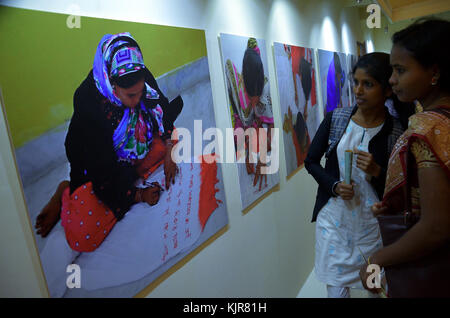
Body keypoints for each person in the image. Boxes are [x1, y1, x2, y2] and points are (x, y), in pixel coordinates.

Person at [35, 33, 183, 252]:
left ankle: (134, 168)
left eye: (141, 92)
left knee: (165, 145)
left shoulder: (138, 72)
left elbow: (159, 107)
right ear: (111, 85)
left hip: (131, 149)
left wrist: (170, 150)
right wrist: (138, 195)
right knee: (84, 235)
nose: (137, 100)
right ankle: (65, 191)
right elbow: (102, 170)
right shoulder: (88, 102)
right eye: (131, 95)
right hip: (95, 164)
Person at [305, 52, 412, 298]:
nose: (358, 90)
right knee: (336, 288)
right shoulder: (336, 119)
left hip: (372, 226)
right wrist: (333, 185)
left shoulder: (396, 131)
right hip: (333, 222)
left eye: (368, 84)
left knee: (374, 287)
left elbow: (402, 186)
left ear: (387, 90)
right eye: (355, 82)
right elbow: (310, 161)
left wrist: (377, 172)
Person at [360, 19, 450, 297]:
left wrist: (376, 260)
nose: (392, 80)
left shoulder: (430, 128)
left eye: (400, 70)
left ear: (434, 72)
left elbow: (435, 227)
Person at [225, 38, 274, 190]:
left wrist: (263, 157)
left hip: (258, 124)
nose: (253, 103)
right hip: (247, 123)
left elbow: (270, 124)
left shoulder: (266, 87)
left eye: (256, 99)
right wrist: (246, 152)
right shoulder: (239, 89)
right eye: (250, 99)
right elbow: (242, 122)